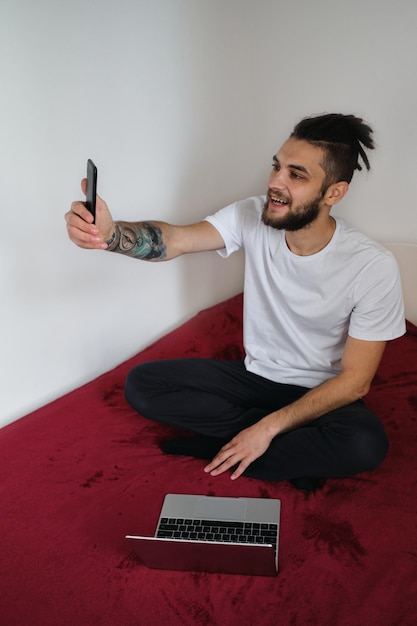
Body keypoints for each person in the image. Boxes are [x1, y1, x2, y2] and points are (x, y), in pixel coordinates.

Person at [65, 113, 405, 490]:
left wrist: (267, 427)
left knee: (365, 443)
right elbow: (176, 240)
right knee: (142, 384)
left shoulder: (372, 266)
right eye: (277, 167)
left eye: (296, 174)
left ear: (334, 193)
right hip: (255, 378)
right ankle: (286, 456)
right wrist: (111, 235)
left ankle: (235, 445)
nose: (275, 182)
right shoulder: (251, 214)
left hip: (320, 394)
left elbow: (355, 383)